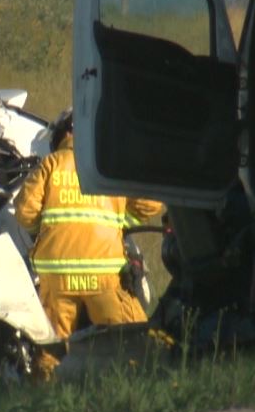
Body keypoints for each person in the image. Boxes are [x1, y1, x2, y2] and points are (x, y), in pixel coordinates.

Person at [13, 107, 164, 380]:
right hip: (102, 275)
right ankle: (135, 384)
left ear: (63, 134)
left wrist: (44, 230)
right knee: (131, 340)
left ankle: (46, 392)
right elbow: (151, 203)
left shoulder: (51, 164)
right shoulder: (108, 166)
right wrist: (119, 219)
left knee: (52, 347)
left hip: (56, 277)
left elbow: (24, 211)